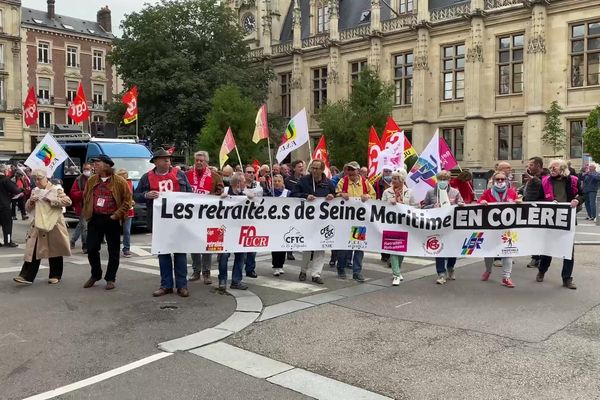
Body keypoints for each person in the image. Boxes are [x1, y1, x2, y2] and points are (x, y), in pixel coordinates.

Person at [135, 148, 193, 297]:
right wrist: (146, 194)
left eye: (168, 158)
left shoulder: (179, 174)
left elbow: (190, 193)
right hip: (159, 222)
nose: (167, 160)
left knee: (180, 253)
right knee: (163, 254)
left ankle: (182, 285)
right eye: (163, 158)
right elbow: (136, 196)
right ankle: (166, 285)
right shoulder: (146, 177)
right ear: (155, 162)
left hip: (178, 220)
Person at [82, 155, 132, 291]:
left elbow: (128, 201)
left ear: (107, 165)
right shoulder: (92, 180)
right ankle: (95, 274)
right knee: (91, 248)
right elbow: (86, 196)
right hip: (95, 218)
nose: (95, 165)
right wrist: (87, 212)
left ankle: (110, 278)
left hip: (112, 219)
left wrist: (117, 215)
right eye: (94, 163)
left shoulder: (120, 181)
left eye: (98, 163)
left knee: (113, 251)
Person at [13, 169, 72, 285]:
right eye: (35, 179)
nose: (37, 181)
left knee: (55, 249)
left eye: (39, 179)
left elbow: (67, 201)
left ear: (46, 178)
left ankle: (55, 274)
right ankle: (26, 276)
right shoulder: (35, 191)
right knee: (33, 249)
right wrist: (31, 201)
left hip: (54, 223)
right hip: (38, 223)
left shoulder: (56, 189)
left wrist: (51, 200)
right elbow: (27, 208)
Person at [535, 159, 581, 290]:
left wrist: (576, 200)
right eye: (550, 168)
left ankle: (567, 278)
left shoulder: (573, 180)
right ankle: (542, 271)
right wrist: (548, 203)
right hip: (550, 219)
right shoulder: (544, 181)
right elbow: (539, 199)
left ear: (563, 168)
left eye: (554, 168)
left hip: (568, 220)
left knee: (568, 251)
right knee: (548, 248)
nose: (552, 170)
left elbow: (583, 195)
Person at [292, 159, 336, 284]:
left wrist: (332, 196)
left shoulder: (328, 183)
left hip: (322, 221)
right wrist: (305, 196)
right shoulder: (304, 180)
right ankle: (303, 271)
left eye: (317, 168)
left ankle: (316, 274)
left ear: (322, 170)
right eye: (313, 168)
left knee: (320, 247)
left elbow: (335, 194)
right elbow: (293, 194)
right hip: (307, 220)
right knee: (307, 247)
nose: (314, 171)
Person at [186, 150, 224, 284]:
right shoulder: (187, 175)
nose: (199, 162)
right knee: (193, 244)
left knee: (208, 244)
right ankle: (196, 271)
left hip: (209, 216)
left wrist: (211, 198)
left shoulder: (215, 176)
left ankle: (206, 272)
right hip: (191, 216)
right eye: (197, 160)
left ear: (206, 162)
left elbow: (220, 192)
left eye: (201, 160)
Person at [336, 161, 376, 282]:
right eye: (349, 170)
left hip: (359, 221)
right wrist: (341, 194)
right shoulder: (343, 181)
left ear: (358, 171)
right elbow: (336, 195)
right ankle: (341, 268)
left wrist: (368, 196)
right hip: (345, 220)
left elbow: (374, 196)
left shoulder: (365, 183)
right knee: (343, 247)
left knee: (358, 247)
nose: (351, 172)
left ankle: (357, 271)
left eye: (353, 170)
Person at [479, 170, 520, 288]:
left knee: (508, 252)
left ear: (506, 180)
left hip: (507, 229)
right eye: (498, 179)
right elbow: (479, 202)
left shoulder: (512, 192)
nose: (500, 181)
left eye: (503, 179)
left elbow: (519, 205)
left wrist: (519, 203)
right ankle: (488, 270)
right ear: (493, 181)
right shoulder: (487, 192)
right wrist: (482, 202)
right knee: (489, 253)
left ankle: (506, 277)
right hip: (491, 228)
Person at [423, 170, 464, 284]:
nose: (443, 181)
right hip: (437, 226)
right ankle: (441, 273)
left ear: (449, 180)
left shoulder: (455, 192)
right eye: (440, 179)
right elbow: (423, 206)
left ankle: (450, 267)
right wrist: (432, 206)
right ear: (437, 180)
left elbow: (461, 204)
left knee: (452, 249)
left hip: (451, 226)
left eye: (445, 179)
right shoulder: (431, 192)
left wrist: (460, 205)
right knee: (439, 249)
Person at [381, 169, 417, 286]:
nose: (393, 181)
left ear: (402, 180)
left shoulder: (409, 192)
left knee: (402, 249)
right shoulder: (387, 192)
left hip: (405, 224)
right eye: (392, 178)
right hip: (392, 224)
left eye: (395, 179)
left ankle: (398, 270)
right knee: (393, 248)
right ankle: (396, 274)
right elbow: (381, 207)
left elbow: (416, 206)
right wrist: (389, 204)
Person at [218, 172, 254, 290]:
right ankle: (222, 280)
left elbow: (254, 200)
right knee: (223, 256)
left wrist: (251, 197)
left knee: (241, 256)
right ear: (238, 183)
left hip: (240, 231)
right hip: (226, 230)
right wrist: (220, 198)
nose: (245, 184)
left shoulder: (245, 193)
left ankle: (236, 281)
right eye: (244, 182)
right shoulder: (226, 191)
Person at [523, 157, 546, 268]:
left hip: (541, 210)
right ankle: (535, 257)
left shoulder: (545, 176)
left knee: (541, 235)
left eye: (531, 165)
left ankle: (540, 258)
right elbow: (528, 189)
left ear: (538, 166)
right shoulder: (531, 177)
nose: (529, 167)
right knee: (532, 234)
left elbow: (544, 188)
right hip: (530, 210)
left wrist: (533, 180)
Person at [242, 164, 264, 277]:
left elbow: (262, 199)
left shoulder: (259, 186)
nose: (251, 174)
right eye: (248, 172)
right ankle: (241, 267)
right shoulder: (239, 185)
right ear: (244, 173)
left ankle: (250, 269)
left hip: (253, 218)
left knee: (252, 245)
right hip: (240, 219)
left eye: (252, 172)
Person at [267, 174, 290, 276]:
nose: (276, 183)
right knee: (275, 245)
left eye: (278, 181)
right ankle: (275, 266)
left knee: (283, 245)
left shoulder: (287, 193)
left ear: (282, 183)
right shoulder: (269, 193)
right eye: (274, 181)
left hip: (284, 223)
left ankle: (281, 265)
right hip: (273, 223)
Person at [69, 162, 92, 253]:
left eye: (88, 169)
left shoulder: (94, 178)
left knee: (81, 225)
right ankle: (85, 245)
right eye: (85, 169)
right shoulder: (78, 180)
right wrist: (83, 193)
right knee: (85, 226)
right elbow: (73, 193)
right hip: (83, 206)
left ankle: (72, 240)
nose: (86, 171)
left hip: (93, 207)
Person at [0, 164, 22, 247]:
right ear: (5, 171)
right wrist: (20, 189)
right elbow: (16, 190)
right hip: (4, 206)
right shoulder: (5, 180)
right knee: (7, 225)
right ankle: (8, 241)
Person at [116, 168, 135, 258]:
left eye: (125, 176)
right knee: (115, 230)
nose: (124, 178)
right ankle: (115, 248)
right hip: (118, 210)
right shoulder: (115, 184)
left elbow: (133, 196)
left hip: (128, 210)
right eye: (122, 176)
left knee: (127, 230)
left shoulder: (130, 183)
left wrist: (133, 201)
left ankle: (126, 249)